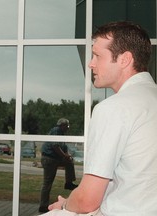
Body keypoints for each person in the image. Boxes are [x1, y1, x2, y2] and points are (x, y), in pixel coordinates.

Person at [39, 21, 157, 216]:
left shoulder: (113, 109)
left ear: (125, 59)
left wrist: (64, 206)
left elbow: (87, 201)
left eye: (97, 55)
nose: (91, 63)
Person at [39, 118, 78, 213]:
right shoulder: (56, 131)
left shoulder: (61, 134)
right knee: (47, 183)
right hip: (49, 159)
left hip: (56, 158)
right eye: (67, 126)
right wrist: (65, 156)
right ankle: (43, 205)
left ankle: (68, 183)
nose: (68, 128)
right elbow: (55, 146)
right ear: (62, 125)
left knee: (69, 163)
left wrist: (67, 156)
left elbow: (64, 148)